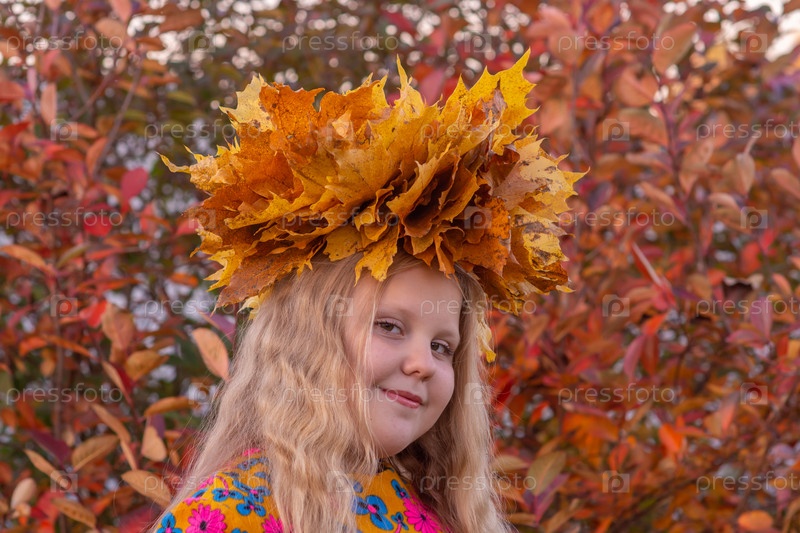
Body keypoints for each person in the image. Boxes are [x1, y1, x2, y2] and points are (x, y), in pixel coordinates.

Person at [152, 50, 580, 533]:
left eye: (442, 347)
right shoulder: (228, 513)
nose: (423, 363)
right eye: (390, 326)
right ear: (306, 339)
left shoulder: (439, 518)